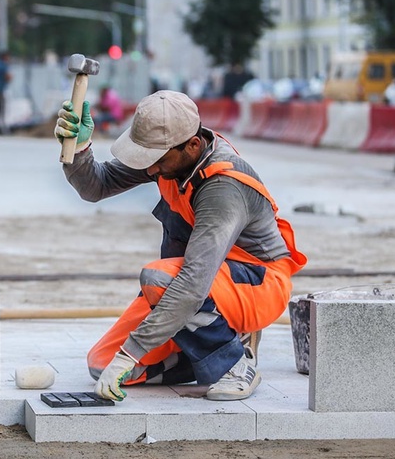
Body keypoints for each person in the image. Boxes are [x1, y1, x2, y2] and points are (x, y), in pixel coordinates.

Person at [53, 90, 307, 402]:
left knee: (157, 280)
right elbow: (96, 186)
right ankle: (215, 350)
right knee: (101, 362)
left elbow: (192, 284)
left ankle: (236, 367)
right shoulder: (169, 155)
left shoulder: (223, 186)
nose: (149, 170)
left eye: (155, 160)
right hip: (207, 285)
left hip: (256, 284)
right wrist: (78, 148)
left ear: (193, 145)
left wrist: (129, 355)